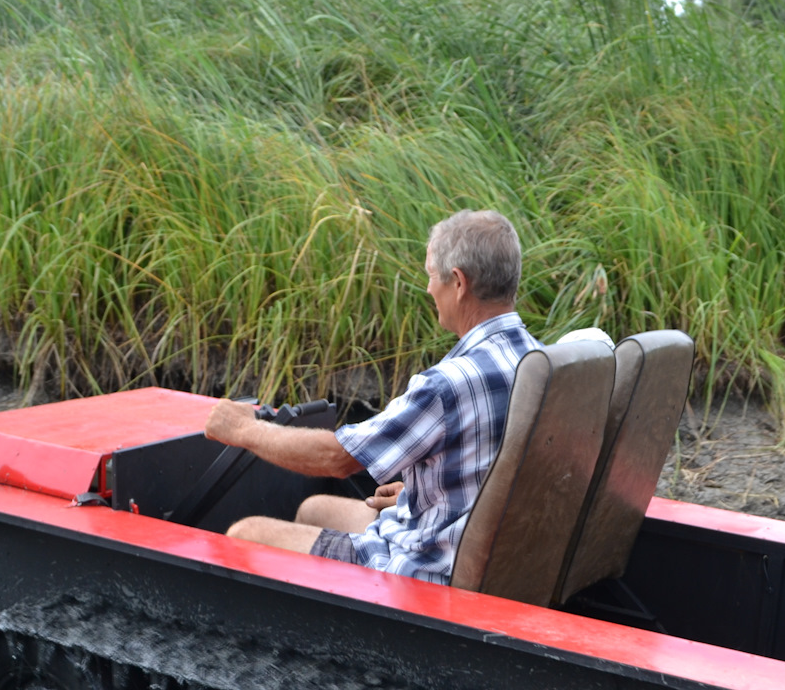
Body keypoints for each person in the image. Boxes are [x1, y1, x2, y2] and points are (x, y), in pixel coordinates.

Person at [203, 210, 542, 585]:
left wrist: (244, 429)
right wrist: (423, 492)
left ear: (459, 282)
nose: (429, 289)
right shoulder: (537, 360)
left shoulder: (446, 385)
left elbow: (337, 459)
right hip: (482, 543)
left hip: (429, 570)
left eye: (432, 276)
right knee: (313, 507)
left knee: (245, 535)